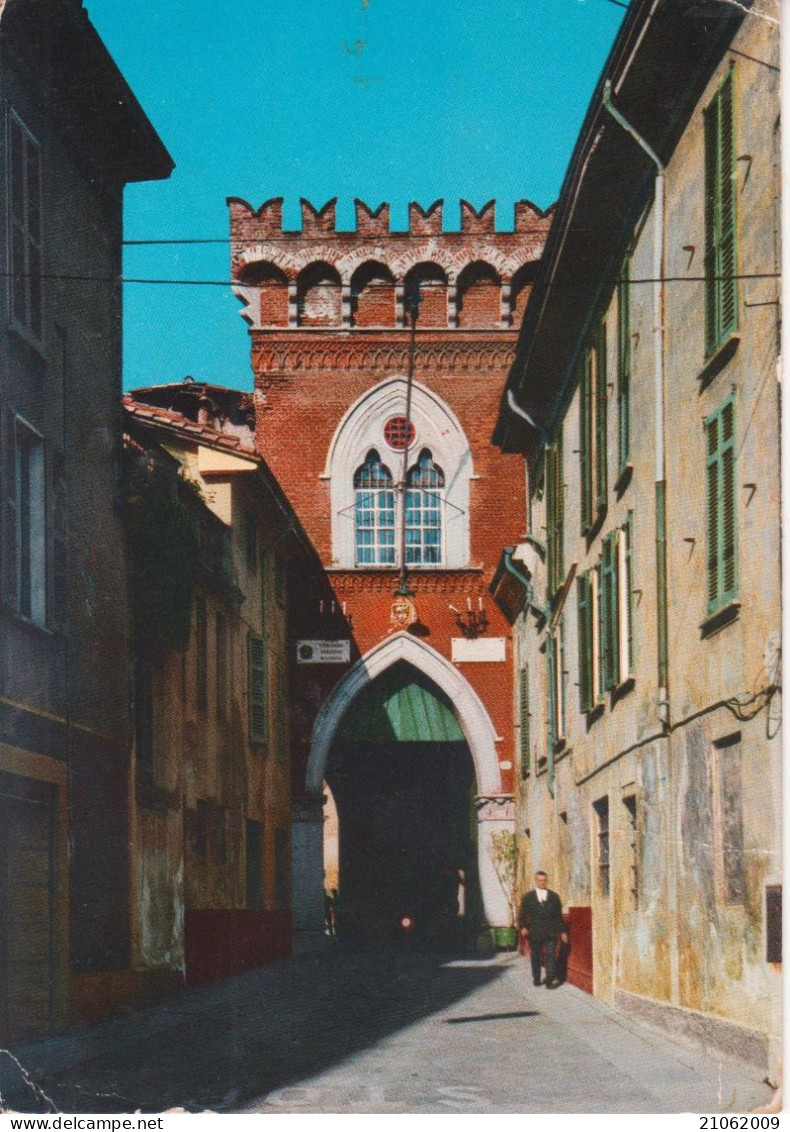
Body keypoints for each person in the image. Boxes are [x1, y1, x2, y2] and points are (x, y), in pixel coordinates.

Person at [518, 870, 568, 988]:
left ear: (547, 881)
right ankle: (536, 977)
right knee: (536, 955)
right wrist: (523, 927)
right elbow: (522, 915)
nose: (542, 883)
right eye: (540, 880)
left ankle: (550, 980)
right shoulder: (528, 897)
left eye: (544, 880)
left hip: (551, 931)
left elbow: (558, 917)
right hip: (534, 932)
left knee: (550, 955)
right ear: (536, 881)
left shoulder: (554, 897)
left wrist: (563, 932)